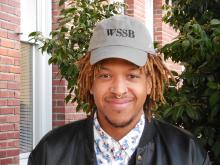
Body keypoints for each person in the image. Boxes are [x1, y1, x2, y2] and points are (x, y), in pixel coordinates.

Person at [28, 15, 211, 165]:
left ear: (149, 84)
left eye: (132, 76)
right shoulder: (49, 152)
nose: (119, 90)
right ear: (91, 83)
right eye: (105, 76)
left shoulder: (187, 153)